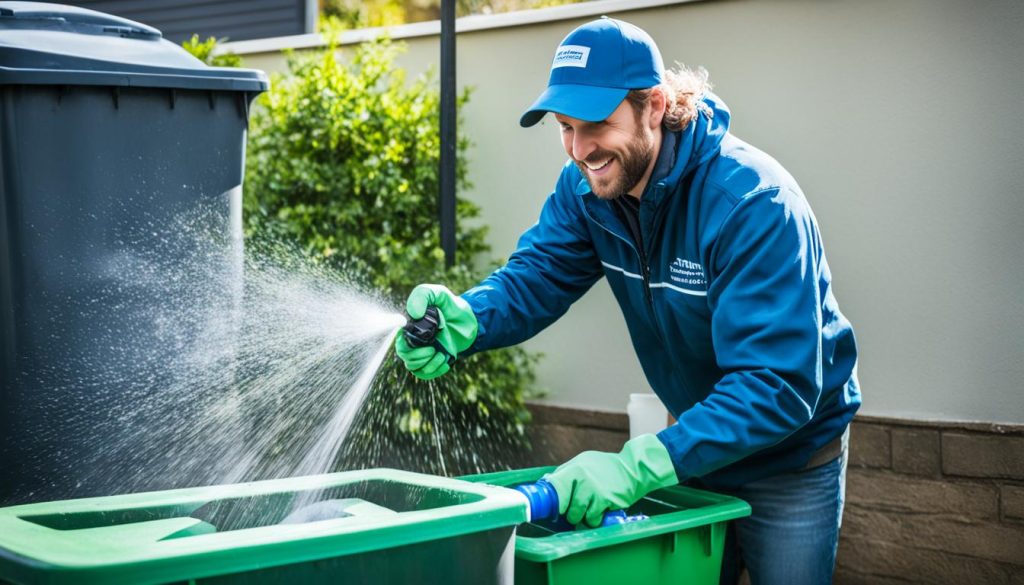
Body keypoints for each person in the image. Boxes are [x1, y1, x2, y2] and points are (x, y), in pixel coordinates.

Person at [394, 16, 860, 585]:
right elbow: (536, 275)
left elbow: (777, 385)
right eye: (565, 127)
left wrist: (638, 465)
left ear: (656, 106)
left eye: (596, 124)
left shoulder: (752, 204)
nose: (579, 148)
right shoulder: (588, 189)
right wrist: (469, 317)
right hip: (693, 453)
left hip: (789, 464)